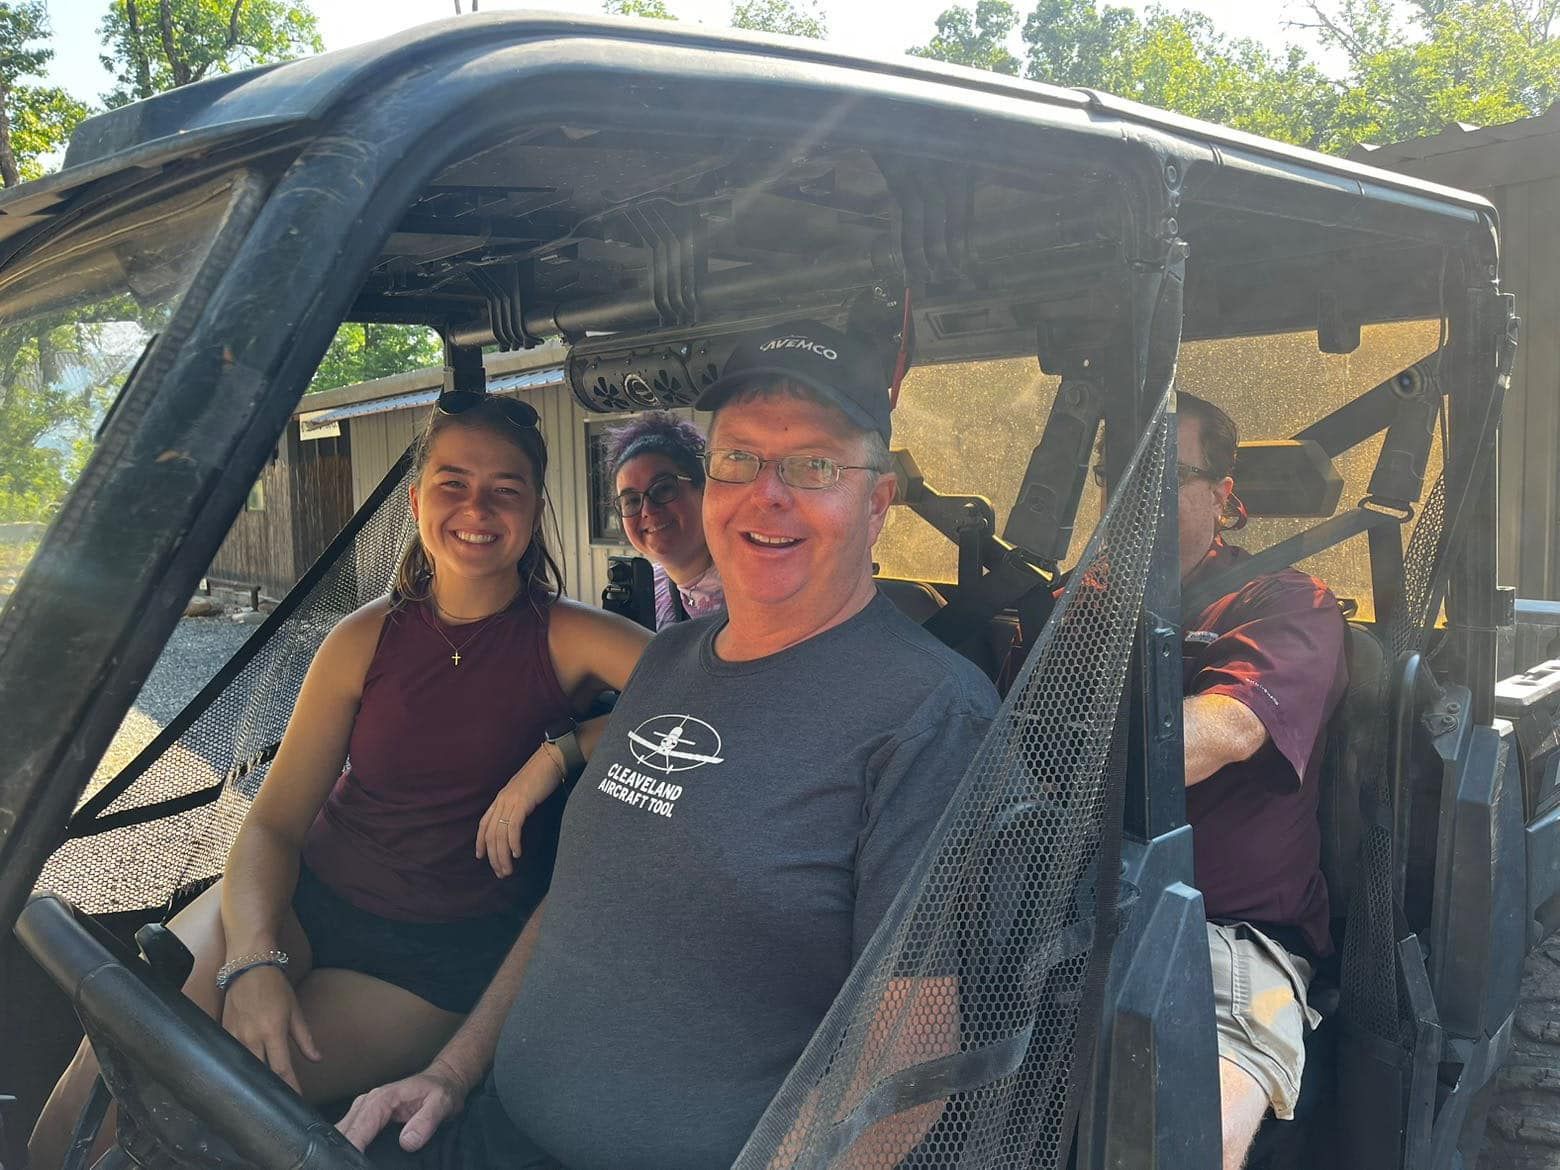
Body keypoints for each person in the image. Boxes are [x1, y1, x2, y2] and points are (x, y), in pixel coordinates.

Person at [338, 320, 1000, 1170]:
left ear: (877, 503)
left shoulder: (927, 714)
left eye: (815, 466)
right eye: (738, 460)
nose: (769, 494)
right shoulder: (671, 660)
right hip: (487, 1128)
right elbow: (581, 897)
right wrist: (450, 1072)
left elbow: (905, 1069)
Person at [30, 393, 649, 1169]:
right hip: (302, 896)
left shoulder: (574, 636)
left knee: (210, 1083)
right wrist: (253, 958)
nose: (476, 508)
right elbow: (274, 825)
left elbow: (713, 703)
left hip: (434, 960)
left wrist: (562, 750)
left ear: (534, 509)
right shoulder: (362, 637)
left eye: (505, 489)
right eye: (453, 483)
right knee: (120, 1036)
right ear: (418, 499)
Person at [1172, 392, 1348, 1170]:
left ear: (1221, 494)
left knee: (1181, 1141)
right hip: (1052, 914)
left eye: (1167, 475)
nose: (1136, 499)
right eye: (1119, 476)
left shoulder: (1282, 600)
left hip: (1229, 941)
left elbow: (1225, 730)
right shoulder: (1073, 604)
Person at [609, 411, 724, 627]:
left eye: (663, 489)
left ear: (703, 489)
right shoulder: (645, 593)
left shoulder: (754, 584)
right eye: (632, 500)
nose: (648, 509)